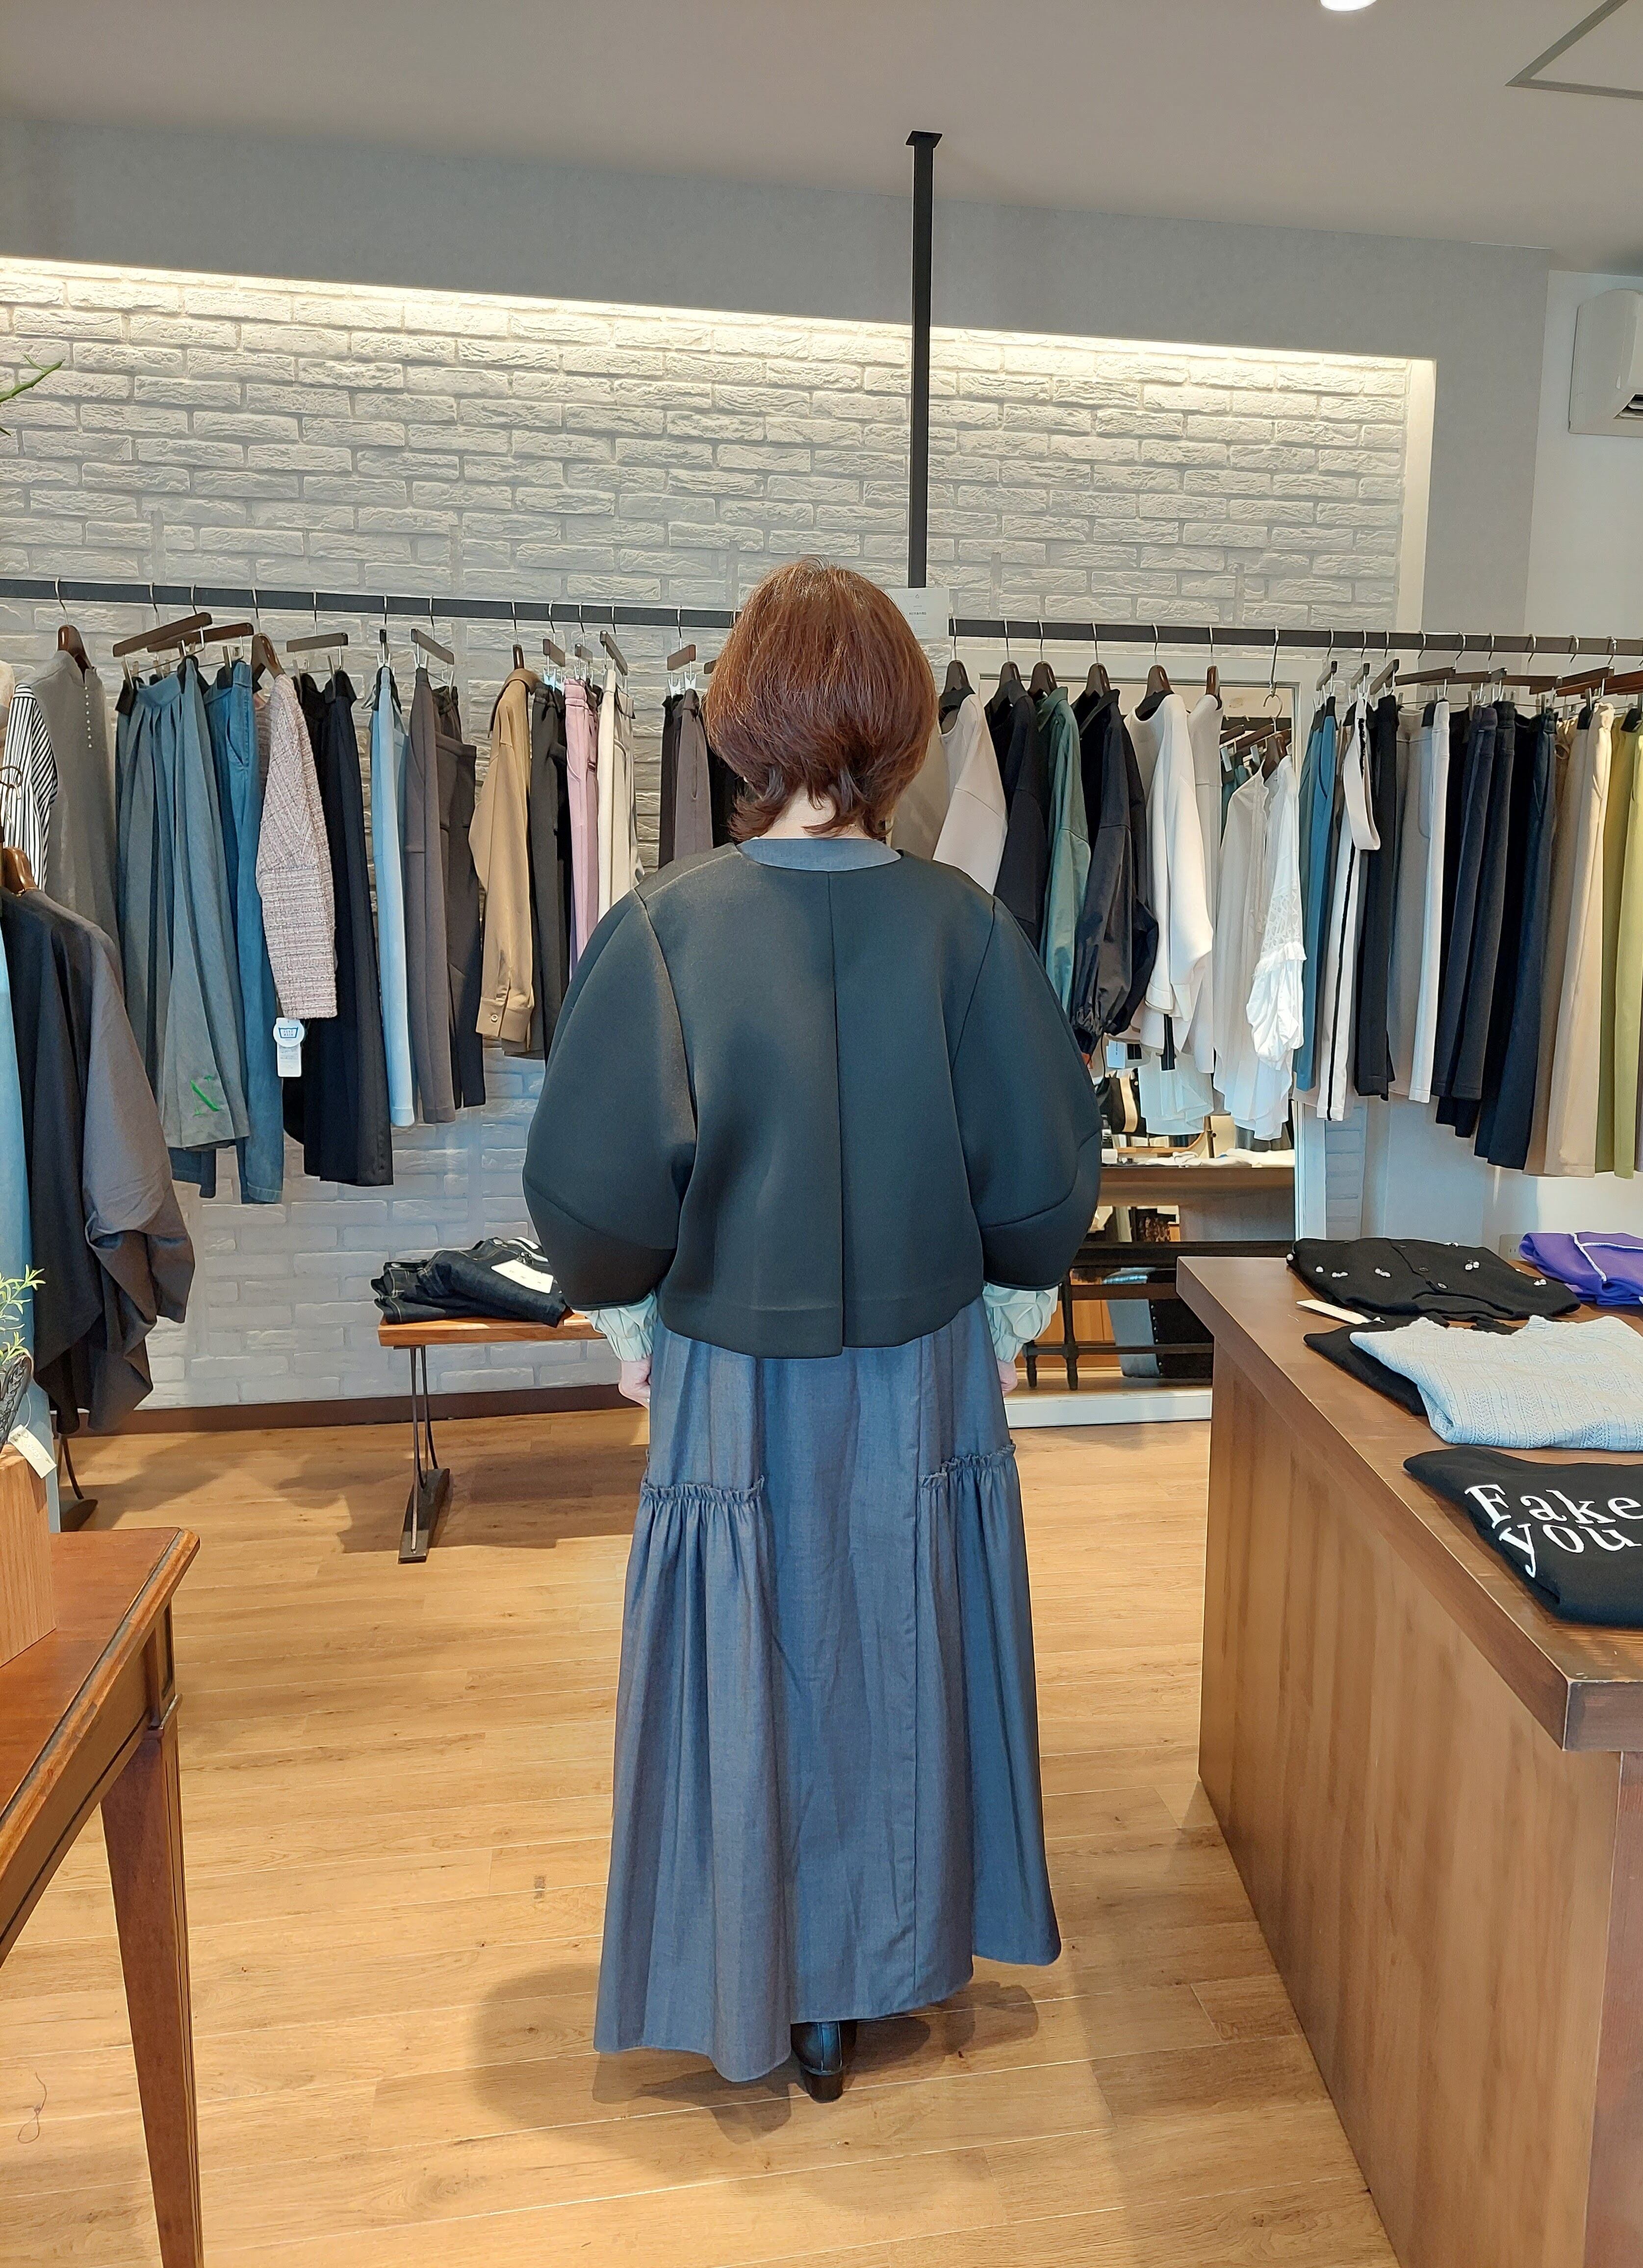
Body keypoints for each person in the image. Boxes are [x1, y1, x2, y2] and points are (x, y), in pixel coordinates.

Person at [523, 559, 1100, 2099]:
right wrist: (1002, 1304)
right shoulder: (965, 930)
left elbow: (589, 1190)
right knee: (902, 1646)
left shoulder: (665, 926)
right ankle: (886, 1958)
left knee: (749, 1650)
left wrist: (631, 1326)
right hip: (924, 1365)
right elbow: (1046, 1179)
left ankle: (753, 1971)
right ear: (902, 730)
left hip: (731, 1367)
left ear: (738, 722)